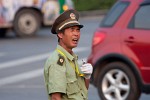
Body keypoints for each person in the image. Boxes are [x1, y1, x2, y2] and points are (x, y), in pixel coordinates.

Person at [44, 9, 93, 100]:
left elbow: (82, 92)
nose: (76, 34)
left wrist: (87, 77)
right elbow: (56, 97)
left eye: (78, 30)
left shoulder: (71, 58)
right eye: (72, 30)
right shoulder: (57, 62)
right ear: (60, 35)